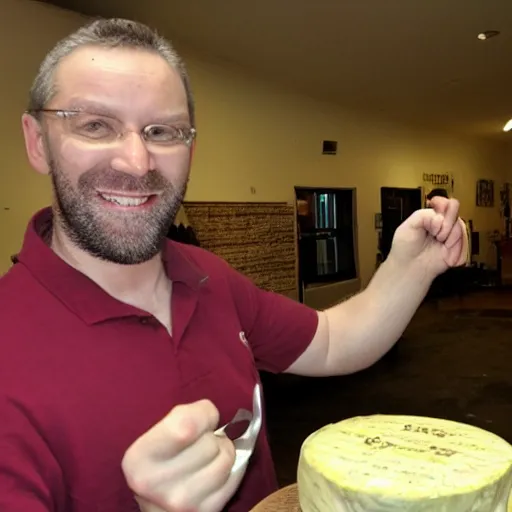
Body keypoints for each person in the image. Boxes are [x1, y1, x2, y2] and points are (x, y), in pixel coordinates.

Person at [0, 18, 468, 512]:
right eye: (95, 125)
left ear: (191, 149)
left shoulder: (207, 276)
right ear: (37, 141)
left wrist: (411, 266)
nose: (137, 162)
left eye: (163, 131)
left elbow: (333, 341)